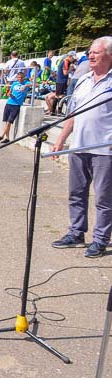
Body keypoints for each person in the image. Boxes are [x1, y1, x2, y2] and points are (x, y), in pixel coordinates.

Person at [50, 37, 112, 258]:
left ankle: (100, 240)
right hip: (78, 147)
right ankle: (76, 233)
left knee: (104, 199)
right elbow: (73, 115)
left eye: (96, 52)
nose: (91, 55)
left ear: (109, 56)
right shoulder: (84, 80)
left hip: (105, 150)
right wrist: (61, 141)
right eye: (90, 52)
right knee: (76, 194)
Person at [0, 71, 32, 143]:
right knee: (6, 122)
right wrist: (9, 94)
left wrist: (25, 86)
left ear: (23, 78)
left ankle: (2, 136)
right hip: (9, 103)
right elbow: (9, 92)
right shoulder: (14, 83)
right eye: (18, 77)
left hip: (16, 105)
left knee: (9, 122)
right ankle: (7, 138)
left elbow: (36, 85)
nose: (20, 79)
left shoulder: (26, 83)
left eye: (21, 77)